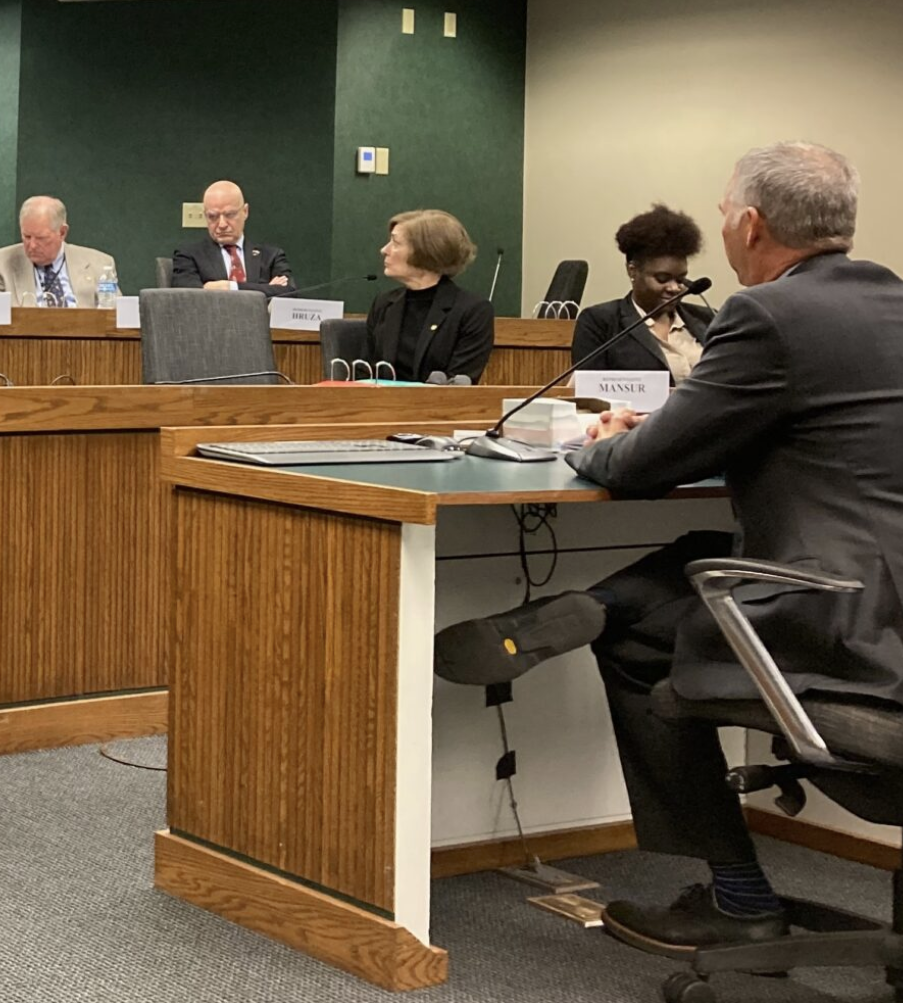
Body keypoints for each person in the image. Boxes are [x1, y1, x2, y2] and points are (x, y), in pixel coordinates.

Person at [433, 142, 903, 953]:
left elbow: (644, 468)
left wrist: (592, 441)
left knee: (644, 641)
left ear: (751, 224)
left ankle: (738, 897)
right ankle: (586, 606)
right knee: (697, 550)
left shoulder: (768, 316)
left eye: (725, 212)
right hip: (883, 603)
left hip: (841, 628)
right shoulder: (890, 303)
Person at [571, 205, 712, 380]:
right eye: (662, 278)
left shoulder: (709, 320)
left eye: (681, 279)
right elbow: (589, 392)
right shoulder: (601, 323)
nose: (674, 288)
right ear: (633, 271)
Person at [365, 209, 494, 382]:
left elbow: (459, 382)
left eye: (395, 243)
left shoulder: (472, 311)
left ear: (426, 252)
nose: (384, 250)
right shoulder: (384, 303)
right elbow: (364, 372)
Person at [0, 196, 116, 307]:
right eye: (26, 236)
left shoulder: (100, 264)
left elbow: (116, 315)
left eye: (41, 238)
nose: (32, 245)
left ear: (62, 232)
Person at [170, 180, 294, 296]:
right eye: (213, 217)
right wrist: (266, 288)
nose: (222, 224)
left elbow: (289, 293)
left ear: (245, 212)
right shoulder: (188, 256)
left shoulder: (271, 256)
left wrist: (230, 287)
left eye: (230, 215)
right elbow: (188, 297)